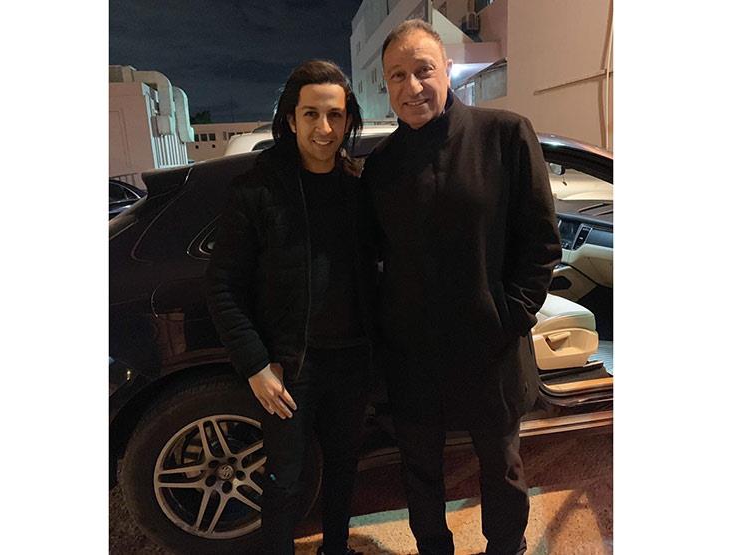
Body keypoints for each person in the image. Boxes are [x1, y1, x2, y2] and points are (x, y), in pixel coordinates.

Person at [361, 20, 562, 555]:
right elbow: (371, 257)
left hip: (490, 345)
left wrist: (509, 314)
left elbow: (541, 242)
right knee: (419, 469)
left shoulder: (505, 135)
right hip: (412, 354)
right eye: (397, 75)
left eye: (423, 70)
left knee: (502, 467)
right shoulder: (381, 166)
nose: (412, 86)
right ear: (386, 85)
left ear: (447, 70)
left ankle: (506, 547)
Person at [205, 60, 376, 555]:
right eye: (311, 114)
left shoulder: (357, 189)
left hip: (353, 360)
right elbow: (222, 285)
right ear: (290, 118)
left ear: (348, 120)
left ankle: (336, 548)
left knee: (344, 469)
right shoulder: (257, 190)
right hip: (290, 368)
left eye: (335, 115)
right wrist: (255, 365)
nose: (324, 128)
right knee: (286, 479)